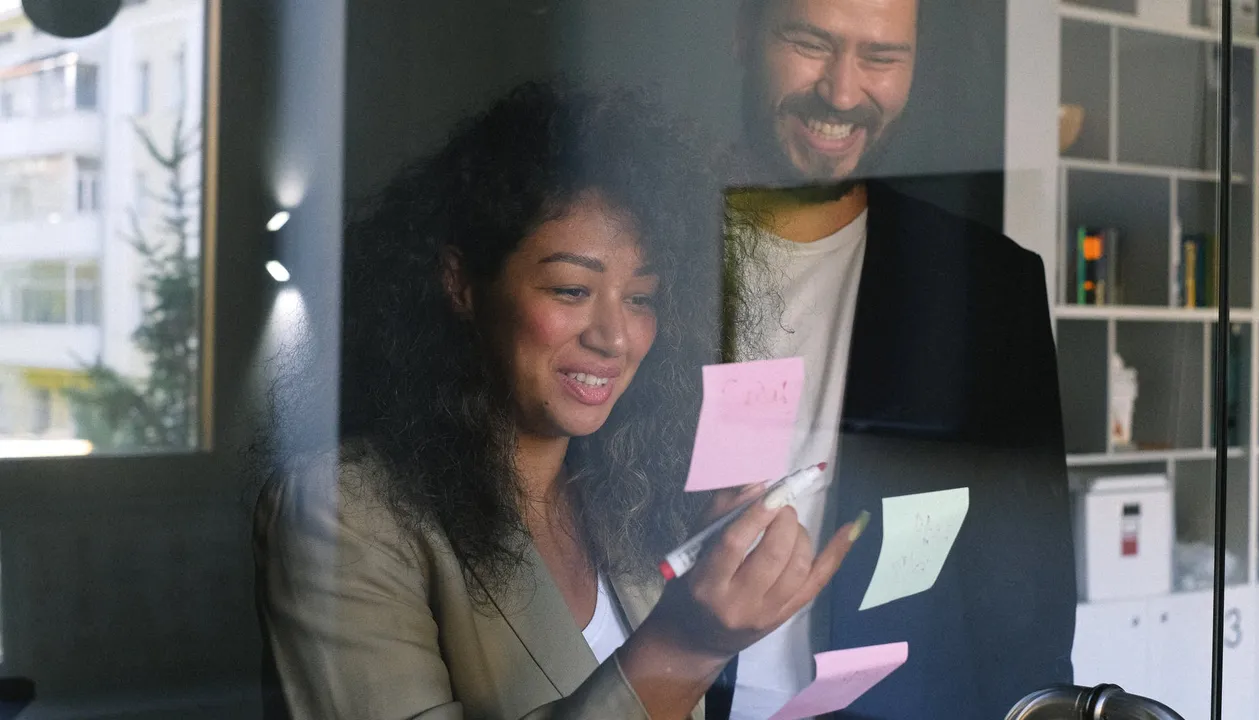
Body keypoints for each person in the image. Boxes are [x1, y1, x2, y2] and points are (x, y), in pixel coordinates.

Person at [253, 81, 861, 720]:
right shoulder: (341, 512)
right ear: (460, 284)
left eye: (641, 298)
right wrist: (685, 647)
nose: (615, 337)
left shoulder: (626, 500)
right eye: (571, 290)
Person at [714, 1, 1077, 718]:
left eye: (880, 57)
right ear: (744, 37)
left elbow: (1024, 597)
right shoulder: (636, 256)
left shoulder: (989, 287)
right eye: (810, 43)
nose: (842, 92)